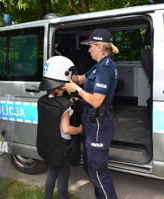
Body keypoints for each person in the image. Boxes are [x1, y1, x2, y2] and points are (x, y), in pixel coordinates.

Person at [63, 28, 119, 199]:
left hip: (98, 123)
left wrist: (77, 91)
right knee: (89, 165)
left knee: (96, 170)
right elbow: (81, 78)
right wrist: (65, 77)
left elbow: (96, 100)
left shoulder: (105, 68)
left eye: (90, 47)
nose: (88, 50)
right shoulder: (99, 65)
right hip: (91, 121)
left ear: (100, 46)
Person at [37, 56, 83, 199]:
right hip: (62, 149)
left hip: (49, 146)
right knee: (63, 178)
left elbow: (54, 110)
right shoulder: (64, 107)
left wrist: (68, 101)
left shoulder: (43, 100)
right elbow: (67, 129)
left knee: (52, 174)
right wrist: (81, 129)